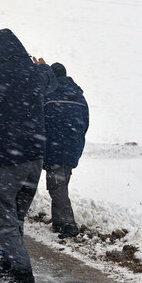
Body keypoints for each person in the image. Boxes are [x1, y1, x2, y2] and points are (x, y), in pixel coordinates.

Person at [0, 29, 57, 283]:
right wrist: (44, 68)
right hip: (34, 157)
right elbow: (52, 83)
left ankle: (22, 270)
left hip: (6, 156)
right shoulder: (39, 75)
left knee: (4, 215)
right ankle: (8, 262)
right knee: (17, 214)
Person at [44, 62, 89, 239]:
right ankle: (58, 223)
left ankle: (69, 225)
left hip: (55, 146)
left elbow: (40, 121)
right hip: (72, 146)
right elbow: (85, 123)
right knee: (61, 184)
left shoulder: (49, 93)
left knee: (56, 186)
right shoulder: (78, 95)